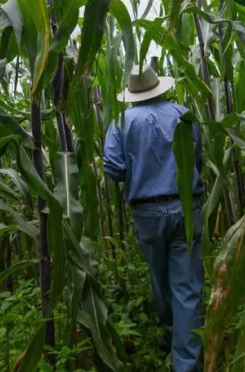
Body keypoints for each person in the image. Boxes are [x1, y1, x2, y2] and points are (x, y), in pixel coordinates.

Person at [103, 64, 204, 371]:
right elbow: (196, 155)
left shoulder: (121, 122)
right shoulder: (181, 114)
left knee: (159, 281)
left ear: (132, 93)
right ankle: (185, 357)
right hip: (185, 205)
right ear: (159, 86)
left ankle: (172, 334)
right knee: (185, 287)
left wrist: (140, 167)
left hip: (146, 212)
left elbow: (113, 169)